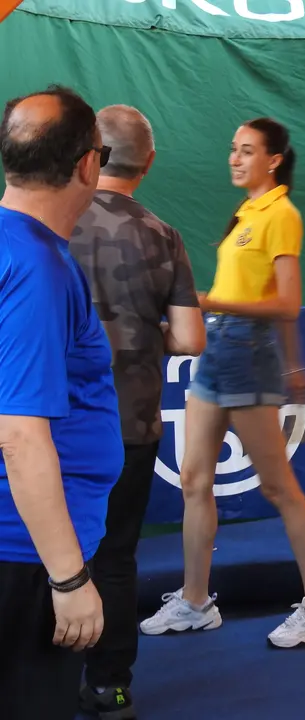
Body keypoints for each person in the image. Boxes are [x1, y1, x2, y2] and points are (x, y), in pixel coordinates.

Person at [139, 116, 305, 648]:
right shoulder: (246, 212)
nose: (235, 158)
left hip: (246, 353)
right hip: (219, 349)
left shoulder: (282, 214)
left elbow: (287, 303)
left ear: (273, 159)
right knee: (194, 480)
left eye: (247, 150)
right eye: (232, 149)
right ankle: (194, 601)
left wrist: (211, 302)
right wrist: (292, 361)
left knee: (279, 485)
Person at [69, 104, 206, 719]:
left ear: (87, 152)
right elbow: (190, 339)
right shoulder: (161, 234)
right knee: (117, 557)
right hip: (130, 424)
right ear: (149, 162)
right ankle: (109, 687)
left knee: (31, 553)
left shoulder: (47, 222)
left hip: (48, 422)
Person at [0, 86, 124, 720]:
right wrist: (69, 580)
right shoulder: (36, 266)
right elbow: (20, 436)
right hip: (26, 556)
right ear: (87, 164)